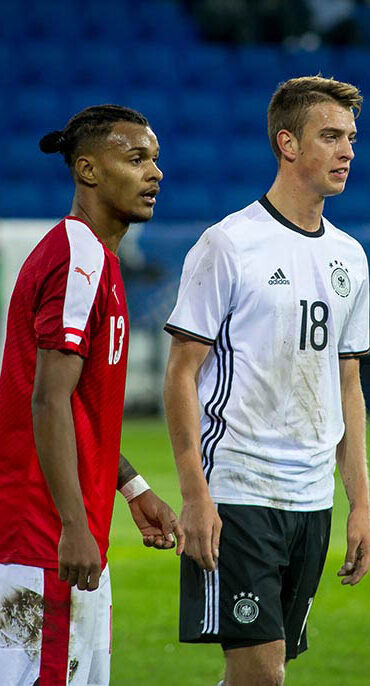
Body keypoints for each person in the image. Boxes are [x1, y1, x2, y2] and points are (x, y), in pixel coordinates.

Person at [163, 76, 370, 686]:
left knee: (263, 672)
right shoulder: (228, 244)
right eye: (330, 136)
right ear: (287, 142)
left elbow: (347, 385)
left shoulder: (351, 256)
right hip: (240, 489)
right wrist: (197, 495)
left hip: (313, 500)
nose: (347, 152)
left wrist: (359, 505)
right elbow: (182, 374)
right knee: (261, 673)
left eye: (352, 138)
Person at [0, 105, 183, 686]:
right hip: (45, 534)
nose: (154, 173)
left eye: (155, 159)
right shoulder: (79, 256)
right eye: (135, 159)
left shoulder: (97, 258)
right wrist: (72, 525)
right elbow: (47, 401)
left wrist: (132, 487)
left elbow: (77, 406)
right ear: (88, 169)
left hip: (65, 527)